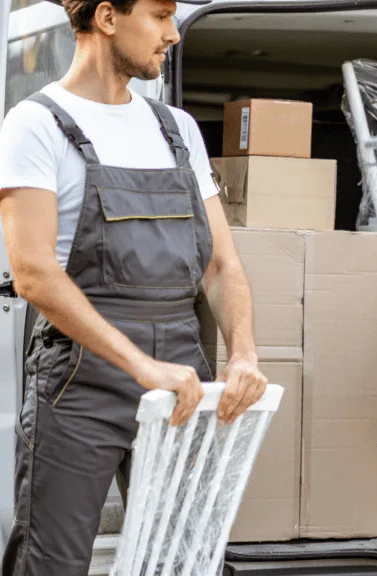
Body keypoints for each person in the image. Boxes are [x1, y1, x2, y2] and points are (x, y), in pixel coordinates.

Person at [0, 1, 269, 573]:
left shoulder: (177, 130)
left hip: (180, 373)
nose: (173, 32)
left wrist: (243, 353)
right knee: (53, 561)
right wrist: (139, 366)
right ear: (107, 17)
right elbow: (33, 273)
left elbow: (221, 266)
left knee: (187, 557)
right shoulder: (36, 124)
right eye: (160, 14)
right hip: (80, 379)